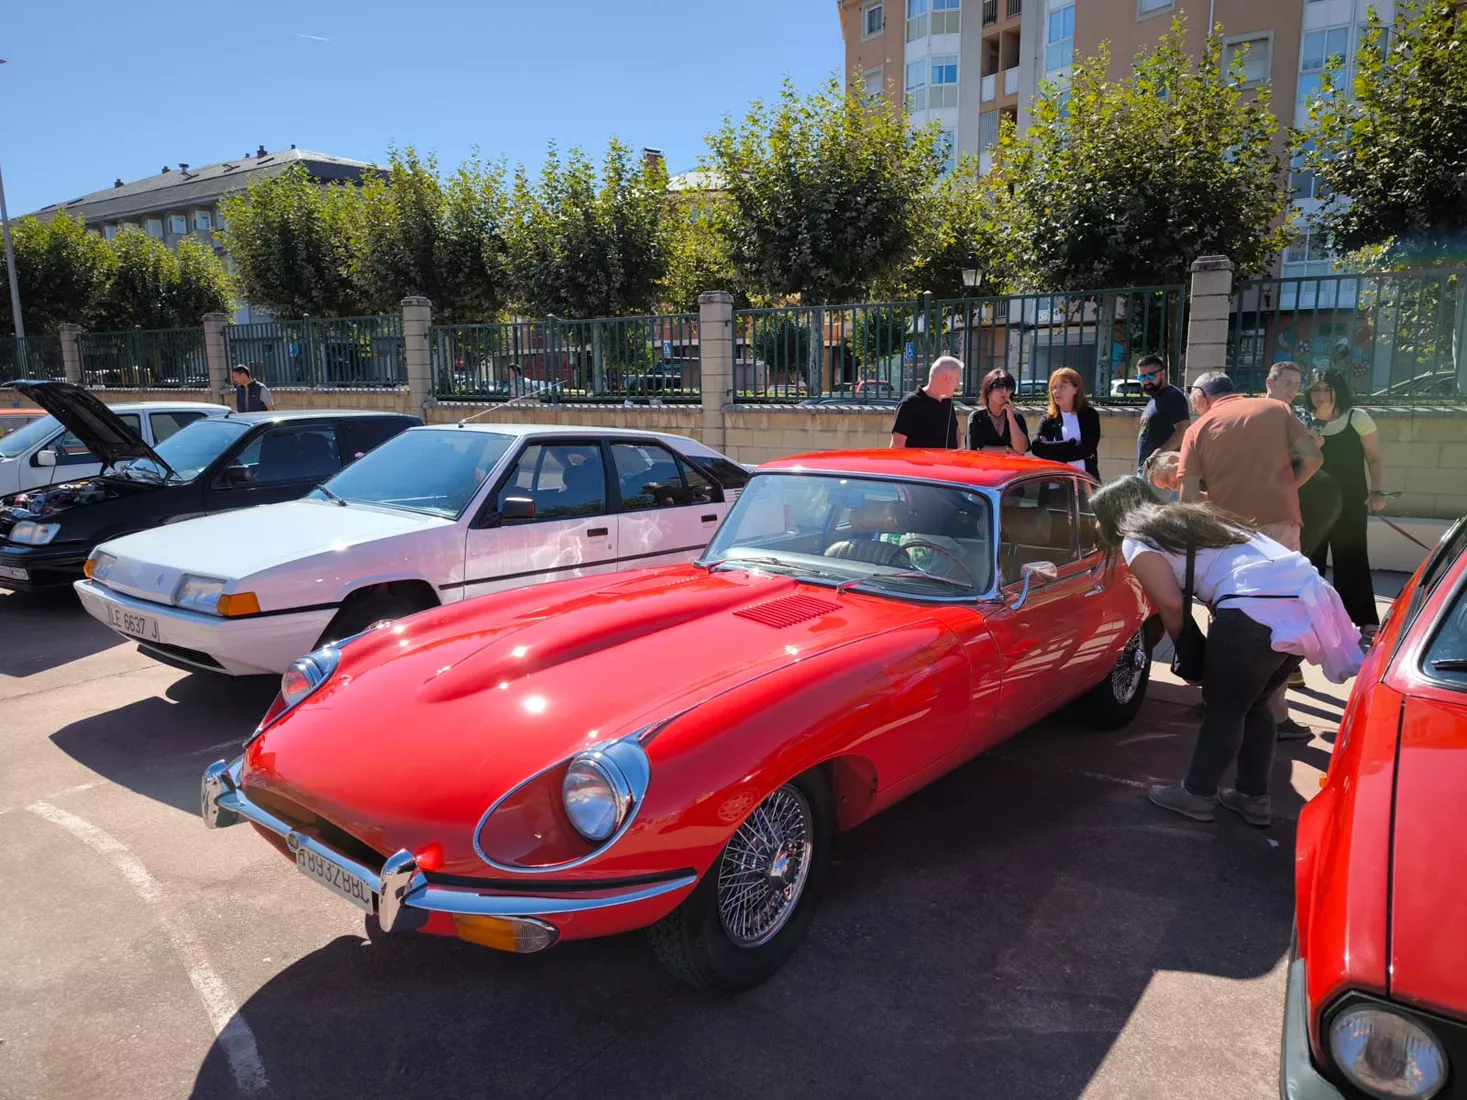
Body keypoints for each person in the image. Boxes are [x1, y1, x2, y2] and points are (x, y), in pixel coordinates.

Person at [1090, 477, 1361, 827]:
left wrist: (1191, 652)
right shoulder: (1195, 518)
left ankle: (1196, 795)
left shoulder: (1137, 539)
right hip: (1306, 606)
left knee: (1224, 709)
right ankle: (1253, 797)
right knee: (1256, 704)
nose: (1096, 525)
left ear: (1116, 514)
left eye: (1098, 517)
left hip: (1255, 610)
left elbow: (1171, 603)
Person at [1179, 371, 1324, 739]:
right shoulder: (1276, 409)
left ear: (1201, 396)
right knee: (1280, 618)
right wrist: (1286, 488)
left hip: (1230, 534)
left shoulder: (1198, 430)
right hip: (1281, 526)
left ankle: (1219, 703)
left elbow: (1189, 502)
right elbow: (1312, 458)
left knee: (1228, 615)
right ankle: (1274, 715)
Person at [1306, 369, 1386, 639]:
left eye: (1326, 388)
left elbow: (1374, 458)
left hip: (1350, 501)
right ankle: (1311, 617)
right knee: (1310, 560)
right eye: (1315, 389)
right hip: (1312, 501)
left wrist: (1376, 491)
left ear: (1337, 389)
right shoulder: (1303, 420)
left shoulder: (1358, 418)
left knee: (1351, 558)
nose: (1320, 395)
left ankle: (1362, 619)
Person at [1266, 361, 1341, 559]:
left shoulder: (1300, 415)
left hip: (1291, 481)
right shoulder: (1254, 411)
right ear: (1270, 383)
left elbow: (1305, 454)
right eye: (1288, 383)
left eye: (1297, 385)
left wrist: (1312, 445)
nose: (1293, 390)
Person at [1030, 368, 1100, 478]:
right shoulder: (1048, 418)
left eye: (1063, 386)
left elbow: (1087, 448)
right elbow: (1037, 447)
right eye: (1054, 387)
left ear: (1075, 389)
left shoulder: (1089, 415)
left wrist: (1051, 449)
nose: (1057, 391)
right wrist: (1072, 444)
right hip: (1054, 481)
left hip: (1084, 480)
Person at [1135, 354, 1190, 474]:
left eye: (1150, 375)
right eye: (1141, 377)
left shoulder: (1172, 396)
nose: (1146, 381)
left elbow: (1183, 431)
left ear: (1163, 374)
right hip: (1149, 470)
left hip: (1163, 472)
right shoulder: (1156, 397)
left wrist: (1155, 456)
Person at [891, 357, 962, 449]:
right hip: (919, 463)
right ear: (945, 378)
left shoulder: (947, 402)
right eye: (956, 380)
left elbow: (955, 431)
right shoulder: (910, 403)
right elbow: (897, 446)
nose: (958, 385)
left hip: (946, 463)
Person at [967, 369, 1030, 454]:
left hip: (1010, 466)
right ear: (988, 391)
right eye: (998, 387)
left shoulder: (1017, 418)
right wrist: (1008, 450)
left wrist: (1011, 420)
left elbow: (1021, 450)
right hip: (984, 466)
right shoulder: (977, 418)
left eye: (1008, 388)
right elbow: (976, 449)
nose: (1004, 391)